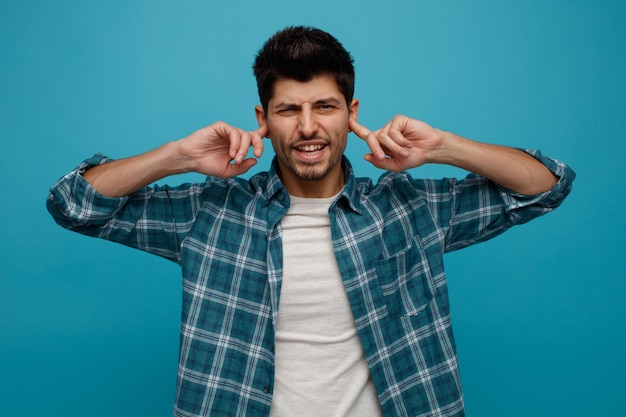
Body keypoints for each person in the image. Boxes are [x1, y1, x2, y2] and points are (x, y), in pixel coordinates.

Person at [47, 26, 575, 417]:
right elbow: (73, 204)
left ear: (351, 112)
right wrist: (177, 157)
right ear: (262, 119)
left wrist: (444, 147)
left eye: (325, 106)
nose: (307, 127)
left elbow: (545, 186)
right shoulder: (211, 212)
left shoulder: (408, 209)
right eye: (287, 110)